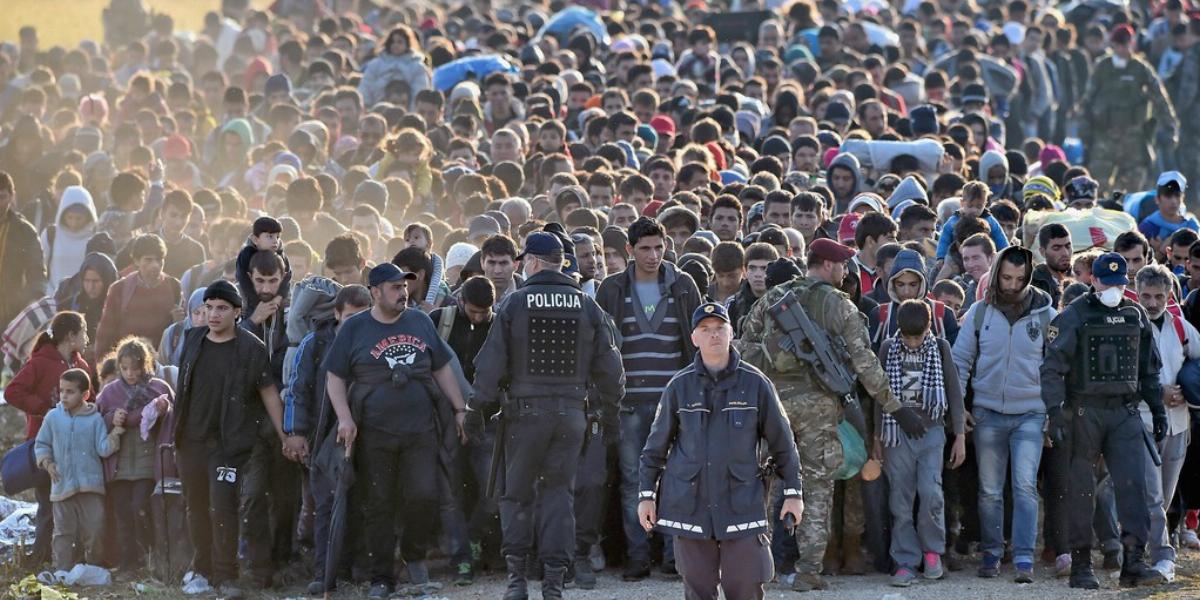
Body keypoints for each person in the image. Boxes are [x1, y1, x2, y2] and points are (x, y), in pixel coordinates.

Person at [737, 239, 929, 592]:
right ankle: (809, 570)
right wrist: (895, 407)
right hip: (818, 408)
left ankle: (757, 564)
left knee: (765, 484)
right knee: (816, 486)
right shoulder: (838, 304)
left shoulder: (771, 298)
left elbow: (743, 350)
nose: (844, 272)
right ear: (827, 265)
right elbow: (864, 362)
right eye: (841, 265)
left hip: (771, 403)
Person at [471, 232, 625, 599]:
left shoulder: (515, 303)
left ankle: (517, 581)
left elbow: (491, 365)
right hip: (572, 415)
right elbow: (611, 369)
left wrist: (476, 408)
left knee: (517, 496)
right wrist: (612, 417)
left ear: (534, 262)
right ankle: (554, 582)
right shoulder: (587, 306)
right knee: (559, 495)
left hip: (524, 416)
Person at [637, 301, 805, 600]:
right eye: (706, 329)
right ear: (694, 338)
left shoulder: (756, 384)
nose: (714, 335)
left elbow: (783, 443)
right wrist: (646, 496)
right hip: (690, 504)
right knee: (698, 589)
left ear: (731, 333)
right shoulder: (679, 386)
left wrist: (794, 492)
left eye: (719, 329)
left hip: (741, 501)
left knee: (747, 586)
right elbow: (654, 450)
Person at [323, 263, 469, 600]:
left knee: (423, 495)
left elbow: (442, 366)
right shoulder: (355, 328)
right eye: (394, 287)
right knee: (379, 503)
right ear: (375, 292)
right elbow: (335, 376)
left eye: (404, 286)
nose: (403, 292)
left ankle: (413, 554)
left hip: (420, 430)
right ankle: (381, 578)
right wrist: (344, 418)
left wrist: (460, 409)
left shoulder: (419, 321)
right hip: (374, 433)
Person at [1041, 253, 1167, 589]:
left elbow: (1149, 369)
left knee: (1133, 488)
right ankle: (1082, 565)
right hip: (1085, 412)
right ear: (1093, 281)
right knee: (1081, 492)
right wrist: (1055, 412)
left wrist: (1157, 410)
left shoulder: (1134, 312)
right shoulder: (1074, 315)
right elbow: (1052, 368)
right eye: (1106, 283)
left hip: (1124, 411)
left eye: (1119, 283)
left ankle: (1134, 563)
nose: (1113, 289)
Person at [172, 280, 292, 599]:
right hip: (190, 441)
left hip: (228, 444)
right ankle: (202, 569)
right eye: (208, 307)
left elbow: (268, 392)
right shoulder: (193, 338)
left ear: (238, 312)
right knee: (194, 506)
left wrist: (285, 435)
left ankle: (226, 575)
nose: (213, 314)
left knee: (222, 506)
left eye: (222, 308)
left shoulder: (251, 347)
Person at [596, 217, 700, 580]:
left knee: (675, 478)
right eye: (644, 248)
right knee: (632, 481)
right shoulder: (611, 289)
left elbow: (696, 341)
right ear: (629, 250)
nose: (653, 255)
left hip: (673, 402)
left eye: (659, 247)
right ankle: (638, 556)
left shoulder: (683, 285)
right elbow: (600, 347)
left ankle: (673, 557)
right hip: (627, 403)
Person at [951, 246, 1056, 582]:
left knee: (1025, 486)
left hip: (1031, 414)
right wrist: (960, 409)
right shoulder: (979, 313)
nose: (1012, 285)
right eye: (1006, 277)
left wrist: (1054, 413)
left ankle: (1024, 558)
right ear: (996, 273)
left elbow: (1057, 368)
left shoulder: (1045, 315)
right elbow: (959, 362)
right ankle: (992, 553)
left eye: (1020, 279)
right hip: (988, 414)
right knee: (990, 489)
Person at [284, 283, 371, 595]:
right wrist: (295, 432)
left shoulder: (375, 341)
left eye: (364, 316)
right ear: (336, 314)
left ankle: (364, 571)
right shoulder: (316, 343)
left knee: (366, 504)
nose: (358, 324)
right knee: (325, 506)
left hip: (369, 438)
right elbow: (298, 389)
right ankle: (325, 572)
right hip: (324, 438)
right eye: (351, 317)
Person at [876, 300, 966, 587]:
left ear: (929, 328)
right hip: (896, 432)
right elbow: (879, 396)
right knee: (900, 498)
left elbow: (953, 392)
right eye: (907, 336)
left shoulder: (940, 348)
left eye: (918, 336)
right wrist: (876, 438)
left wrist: (960, 436)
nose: (913, 342)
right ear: (898, 329)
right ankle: (904, 559)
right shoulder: (889, 349)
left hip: (932, 431)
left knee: (931, 493)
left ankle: (932, 551)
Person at [5, 311, 91, 566]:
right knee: (47, 503)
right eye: (84, 332)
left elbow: (90, 398)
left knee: (72, 500)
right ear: (71, 336)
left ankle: (68, 556)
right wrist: (44, 408)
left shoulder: (81, 366)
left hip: (76, 446)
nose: (87, 338)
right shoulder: (41, 362)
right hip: (46, 443)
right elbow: (13, 391)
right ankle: (41, 555)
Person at [1134, 265, 1200, 582]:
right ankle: (1162, 557)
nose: (1152, 302)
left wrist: (1188, 389)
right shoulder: (1127, 326)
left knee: (1164, 495)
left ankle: (1142, 547)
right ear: (1136, 292)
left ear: (1169, 295)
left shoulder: (1182, 328)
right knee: (1152, 495)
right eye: (1145, 295)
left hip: (1178, 423)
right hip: (1142, 422)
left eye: (1159, 296)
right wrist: (1157, 393)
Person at [95, 336, 174, 573]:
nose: (130, 373)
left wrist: (161, 412)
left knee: (141, 508)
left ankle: (147, 559)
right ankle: (128, 562)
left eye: (136, 368)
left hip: (147, 461)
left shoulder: (158, 389)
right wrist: (112, 418)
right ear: (119, 366)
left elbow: (171, 422)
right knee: (122, 513)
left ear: (145, 365)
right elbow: (97, 420)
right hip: (118, 464)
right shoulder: (110, 392)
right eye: (125, 368)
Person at [34, 368, 126, 572]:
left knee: (94, 530)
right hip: (62, 485)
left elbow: (103, 449)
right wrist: (48, 464)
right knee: (63, 532)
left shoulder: (95, 420)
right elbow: (41, 444)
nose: (64, 396)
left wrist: (116, 433)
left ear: (85, 394)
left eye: (70, 391)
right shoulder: (53, 418)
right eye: (61, 391)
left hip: (91, 487)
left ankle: (93, 567)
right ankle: (62, 571)